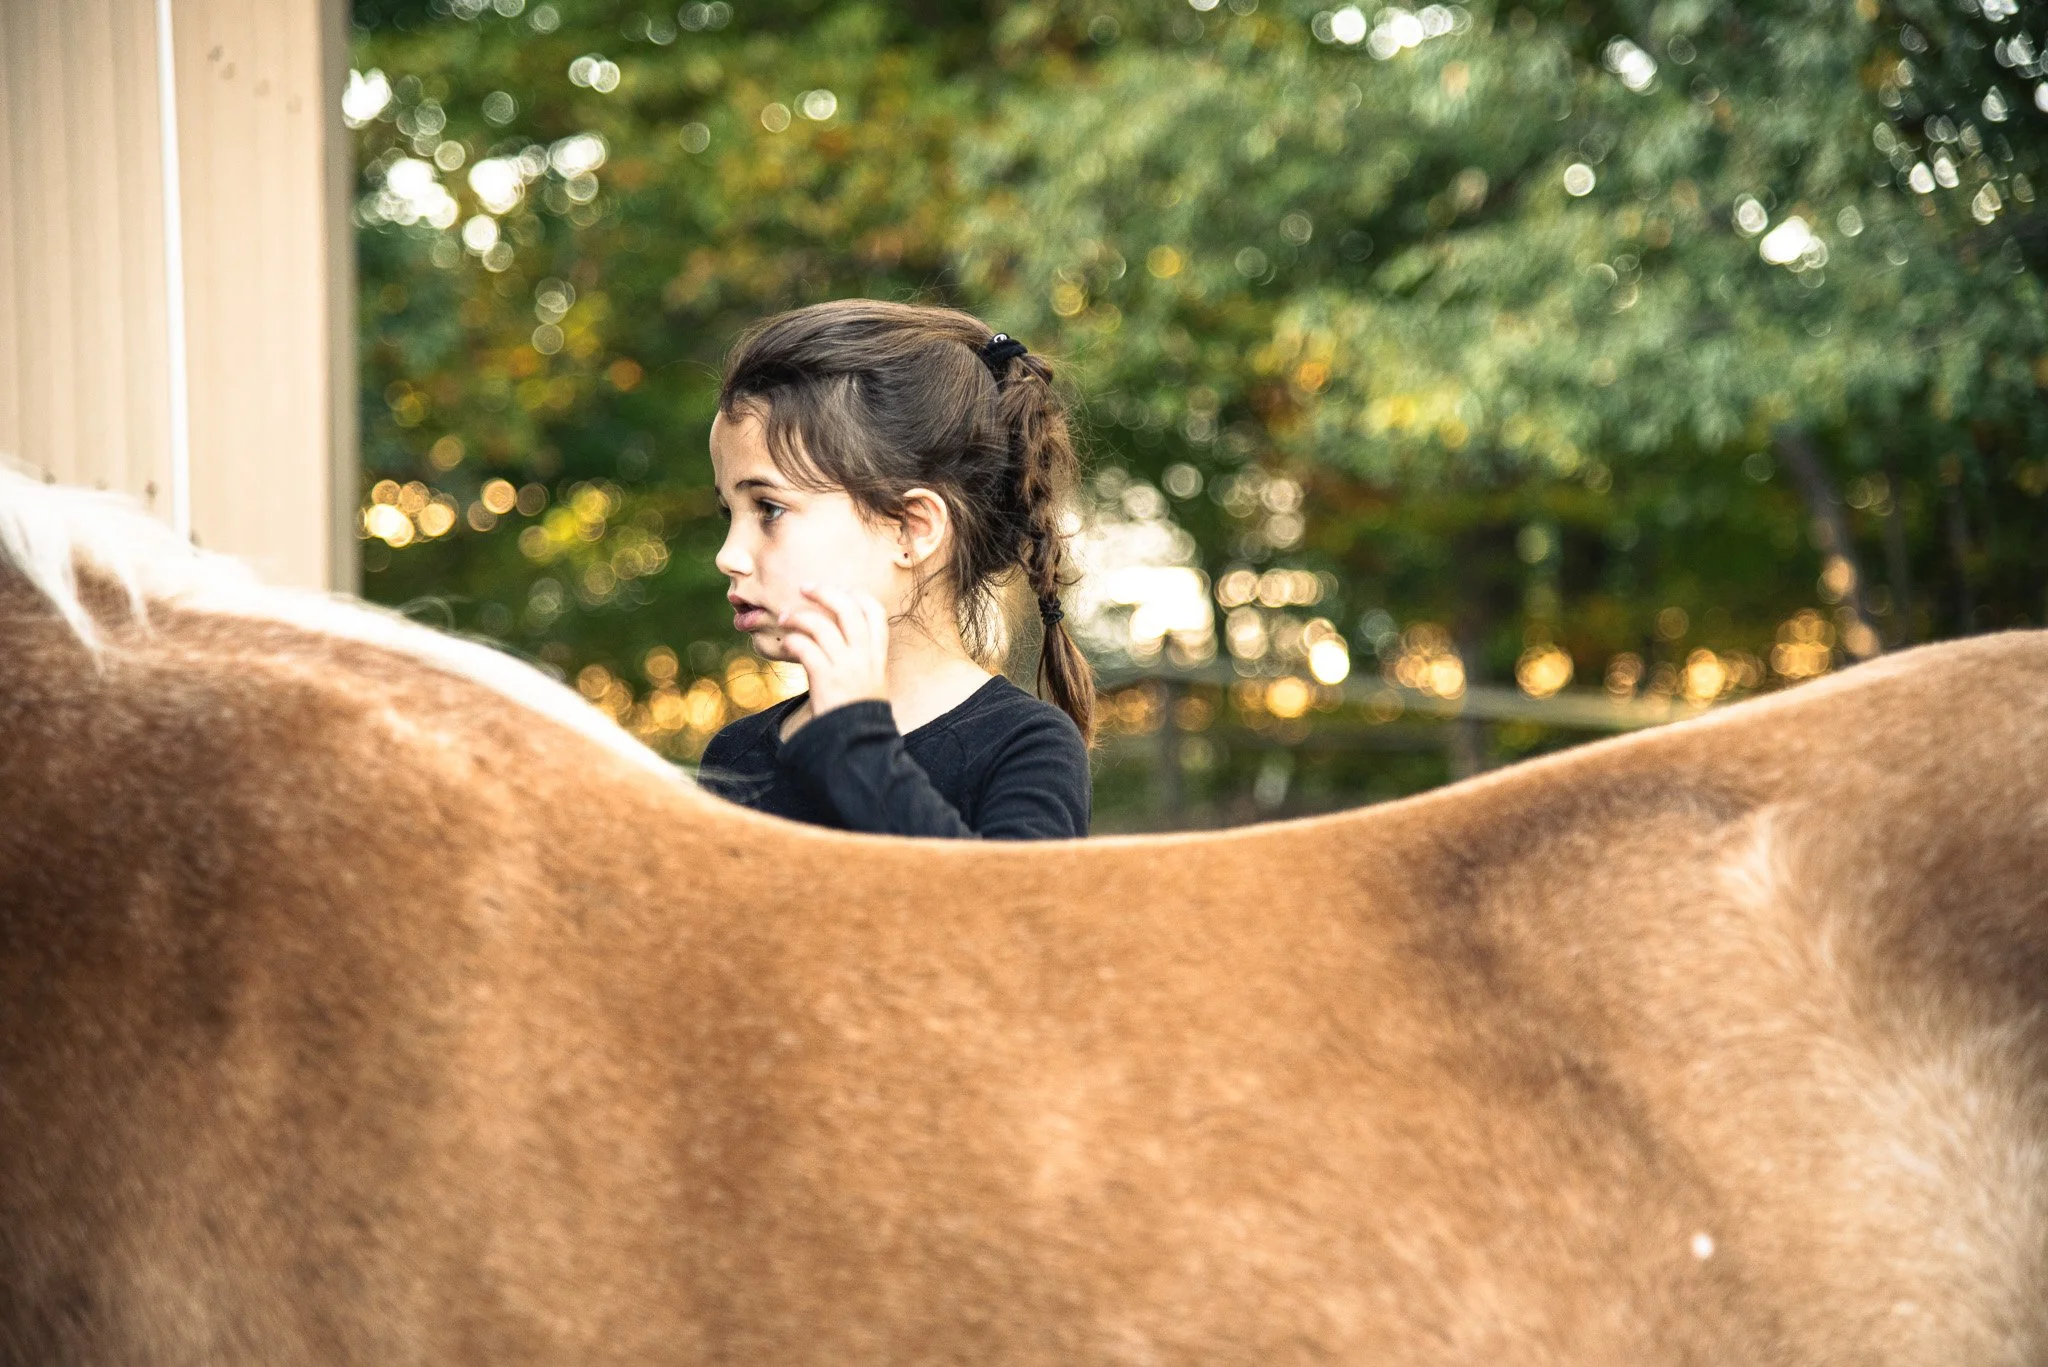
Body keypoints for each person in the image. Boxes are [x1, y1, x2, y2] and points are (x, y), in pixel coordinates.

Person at [695, 299, 1093, 839]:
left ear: (911, 528)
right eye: (730, 511)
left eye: (769, 509)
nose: (729, 555)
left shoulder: (1025, 746)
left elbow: (1002, 919)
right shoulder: (735, 756)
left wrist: (857, 748)